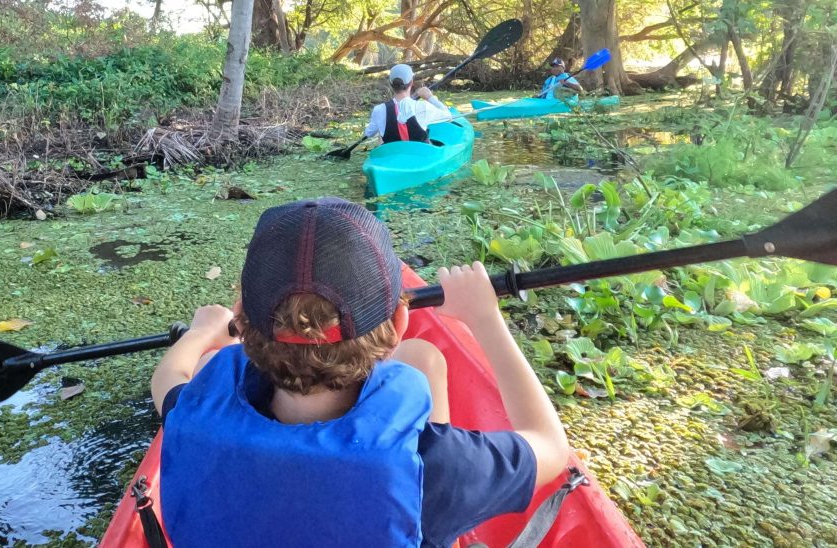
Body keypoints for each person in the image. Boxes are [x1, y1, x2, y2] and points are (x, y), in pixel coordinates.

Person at [150, 197, 571, 548]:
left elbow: (167, 378)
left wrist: (202, 331)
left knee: (209, 365)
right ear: (399, 322)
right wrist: (485, 319)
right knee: (422, 361)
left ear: (242, 320)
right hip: (419, 478)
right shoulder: (435, 463)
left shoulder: (191, 414)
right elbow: (551, 446)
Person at [364, 62, 453, 143]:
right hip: (421, 155)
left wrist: (381, 125)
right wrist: (430, 97)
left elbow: (368, 133)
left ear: (390, 84)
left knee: (381, 133)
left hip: (392, 156)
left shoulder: (379, 109)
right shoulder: (423, 107)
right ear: (411, 82)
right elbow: (448, 116)